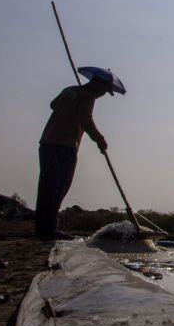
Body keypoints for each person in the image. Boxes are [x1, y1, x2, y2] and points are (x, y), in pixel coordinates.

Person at [35, 67, 125, 240]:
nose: (102, 95)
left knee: (47, 186)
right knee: (58, 187)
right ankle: (48, 229)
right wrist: (100, 139)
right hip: (64, 146)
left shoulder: (69, 90)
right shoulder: (88, 96)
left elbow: (53, 105)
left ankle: (43, 228)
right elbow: (86, 120)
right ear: (99, 86)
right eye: (105, 92)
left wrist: (73, 100)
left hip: (47, 142)